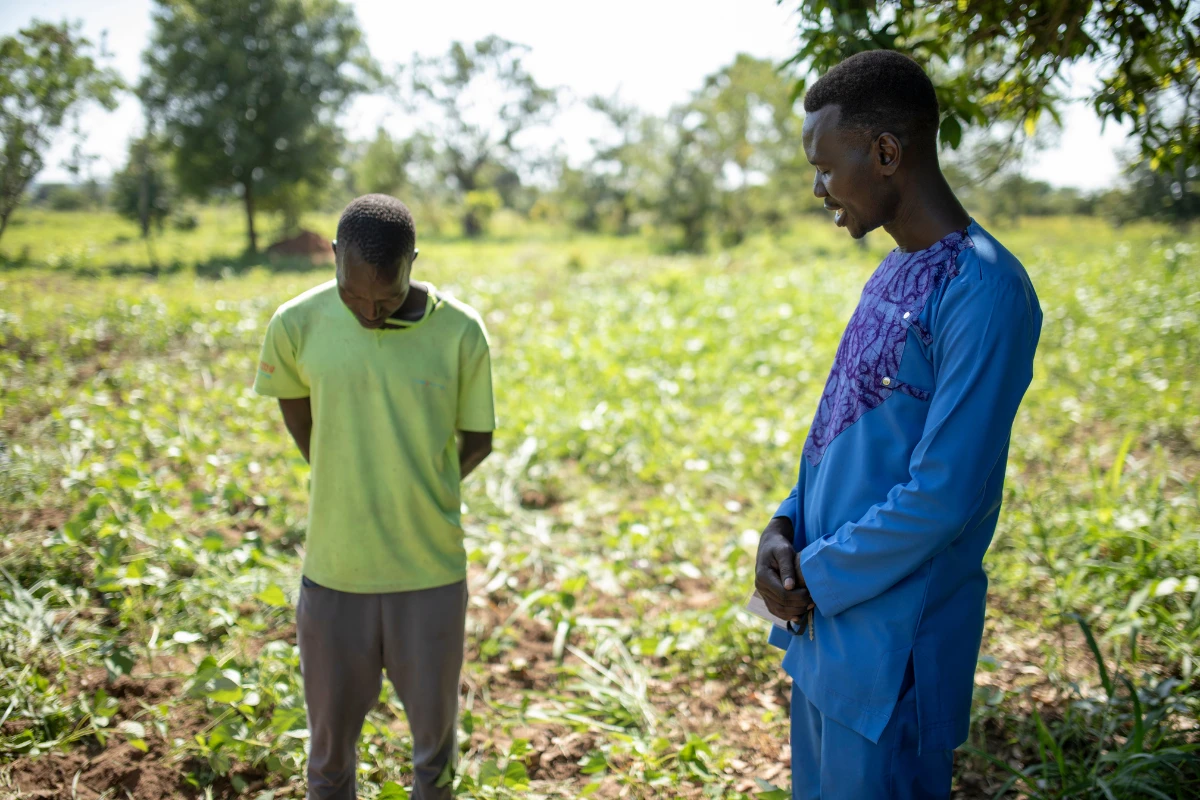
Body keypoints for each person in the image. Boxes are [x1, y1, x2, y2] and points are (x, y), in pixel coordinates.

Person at [753, 51, 1042, 799]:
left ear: (885, 153)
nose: (818, 188)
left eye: (824, 166)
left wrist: (813, 575)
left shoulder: (985, 291)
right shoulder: (892, 269)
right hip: (824, 631)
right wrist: (783, 526)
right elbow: (838, 429)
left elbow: (943, 495)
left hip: (894, 652)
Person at [253, 194, 495, 800]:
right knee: (329, 756)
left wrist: (419, 484)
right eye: (352, 294)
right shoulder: (296, 324)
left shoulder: (459, 331)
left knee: (433, 758)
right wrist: (344, 472)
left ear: (413, 263)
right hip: (336, 575)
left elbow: (479, 439)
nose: (367, 310)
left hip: (429, 575)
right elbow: (297, 409)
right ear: (333, 259)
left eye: (385, 298)